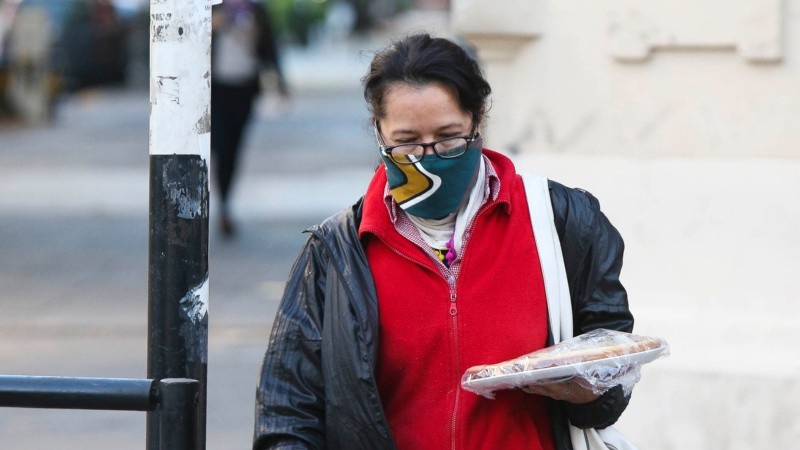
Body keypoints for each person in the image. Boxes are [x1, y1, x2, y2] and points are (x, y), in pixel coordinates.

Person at [253, 33, 634, 449]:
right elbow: (288, 410)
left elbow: (610, 365)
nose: (428, 157)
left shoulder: (562, 222)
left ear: (478, 118)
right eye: (407, 142)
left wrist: (590, 391)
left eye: (449, 138)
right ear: (378, 131)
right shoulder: (338, 252)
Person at [211, 0, 288, 237]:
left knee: (233, 147)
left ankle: (225, 203)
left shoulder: (257, 11)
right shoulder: (211, 8)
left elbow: (269, 48)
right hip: (215, 89)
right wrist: (211, 26)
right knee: (219, 145)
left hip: (245, 89)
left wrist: (280, 83)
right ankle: (218, 203)